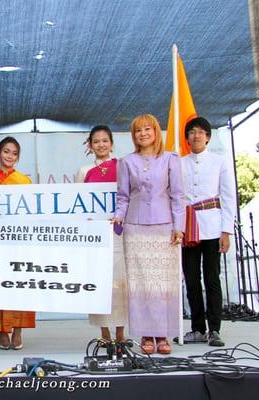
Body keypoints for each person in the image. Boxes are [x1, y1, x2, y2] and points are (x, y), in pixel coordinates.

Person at [113, 114, 185, 355]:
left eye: (147, 129)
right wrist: (118, 217)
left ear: (156, 132)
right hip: (134, 228)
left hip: (165, 227)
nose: (142, 134)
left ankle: (163, 335)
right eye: (137, 130)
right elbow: (122, 196)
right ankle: (146, 334)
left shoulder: (171, 159)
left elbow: (178, 196)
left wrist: (179, 227)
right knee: (141, 283)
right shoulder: (126, 162)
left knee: (162, 282)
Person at [177, 117, 235, 347]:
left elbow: (228, 197)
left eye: (201, 131)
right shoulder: (179, 163)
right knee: (191, 279)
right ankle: (197, 328)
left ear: (208, 136)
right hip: (188, 227)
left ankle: (214, 329)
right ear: (187, 137)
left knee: (212, 279)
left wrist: (226, 231)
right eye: (192, 132)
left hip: (212, 225)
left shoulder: (219, 162)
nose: (196, 135)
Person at [75, 126, 128, 345]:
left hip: (118, 231)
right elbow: (77, 203)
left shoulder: (122, 167)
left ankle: (121, 333)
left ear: (112, 143)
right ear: (90, 145)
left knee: (120, 282)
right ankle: (105, 332)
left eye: (105, 141)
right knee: (100, 282)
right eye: (96, 141)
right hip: (95, 235)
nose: (101, 145)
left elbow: (127, 197)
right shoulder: (84, 171)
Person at [0, 136, 35, 350]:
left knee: (19, 284)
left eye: (14, 153)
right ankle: (2, 330)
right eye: (6, 152)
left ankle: (18, 330)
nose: (10, 156)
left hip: (19, 242)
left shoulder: (25, 181)